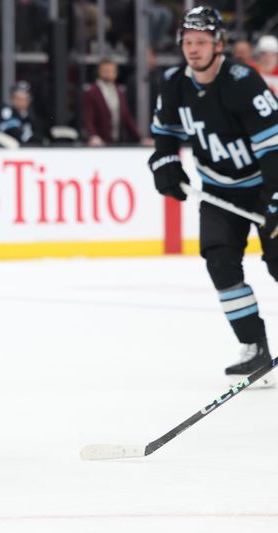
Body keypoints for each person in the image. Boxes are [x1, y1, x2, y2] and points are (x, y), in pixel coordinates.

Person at [149, 6, 278, 388]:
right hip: (218, 191)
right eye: (187, 42)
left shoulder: (243, 81)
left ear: (218, 44)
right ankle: (254, 346)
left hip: (263, 184)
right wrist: (166, 163)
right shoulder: (174, 83)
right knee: (221, 264)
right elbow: (165, 134)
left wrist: (274, 203)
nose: (193, 49)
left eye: (202, 41)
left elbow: (274, 148)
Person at [82, 57, 143, 146]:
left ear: (115, 72)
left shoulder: (119, 92)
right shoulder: (91, 92)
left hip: (117, 142)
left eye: (111, 70)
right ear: (99, 71)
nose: (108, 73)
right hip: (99, 144)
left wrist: (140, 138)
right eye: (105, 70)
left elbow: (127, 118)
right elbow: (88, 118)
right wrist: (93, 136)